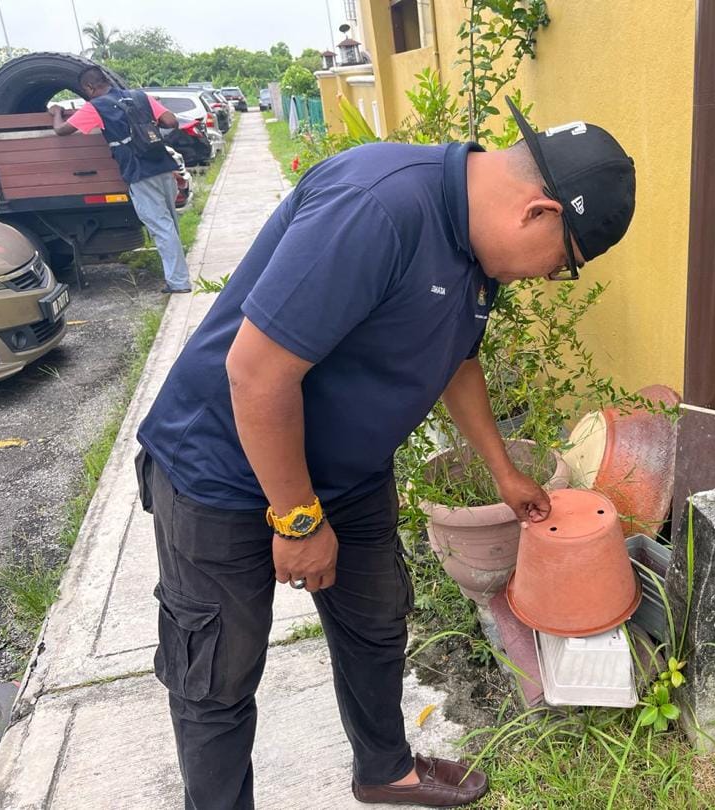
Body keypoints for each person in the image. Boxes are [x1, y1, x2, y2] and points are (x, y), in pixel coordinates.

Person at [133, 97, 635, 809]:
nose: (547, 280)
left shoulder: (475, 244)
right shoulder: (377, 207)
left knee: (375, 624)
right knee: (216, 676)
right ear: (538, 212)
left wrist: (502, 469)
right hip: (222, 470)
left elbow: (456, 356)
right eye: (562, 265)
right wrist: (298, 520)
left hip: (349, 473)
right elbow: (256, 375)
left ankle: (384, 770)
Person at [50, 67, 192, 293]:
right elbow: (170, 120)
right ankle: (180, 274)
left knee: (160, 227)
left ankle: (179, 282)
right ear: (106, 80)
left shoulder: (95, 107)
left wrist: (57, 111)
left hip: (138, 172)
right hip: (163, 164)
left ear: (89, 87)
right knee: (170, 223)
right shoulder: (139, 96)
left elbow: (62, 130)